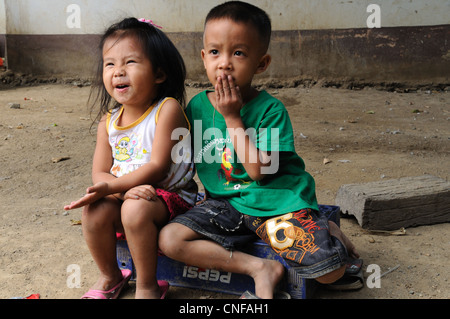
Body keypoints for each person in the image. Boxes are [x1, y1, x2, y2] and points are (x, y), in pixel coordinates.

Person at [159, 1, 359, 299]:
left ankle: (330, 231)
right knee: (170, 239)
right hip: (227, 204)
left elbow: (258, 172)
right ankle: (259, 268)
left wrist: (232, 117)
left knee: (332, 272)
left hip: (277, 204)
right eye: (215, 52)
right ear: (203, 58)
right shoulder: (196, 107)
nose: (224, 63)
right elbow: (177, 160)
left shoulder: (270, 110)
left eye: (238, 53)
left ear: (261, 64)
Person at [64, 17, 197, 299]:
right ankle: (111, 277)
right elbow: (100, 173)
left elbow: (158, 167)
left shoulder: (167, 109)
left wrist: (118, 190)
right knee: (94, 210)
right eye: (110, 64)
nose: (118, 72)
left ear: (159, 74)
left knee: (133, 209)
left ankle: (149, 286)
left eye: (131, 63)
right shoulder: (109, 121)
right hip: (130, 194)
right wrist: (119, 191)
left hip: (173, 197)